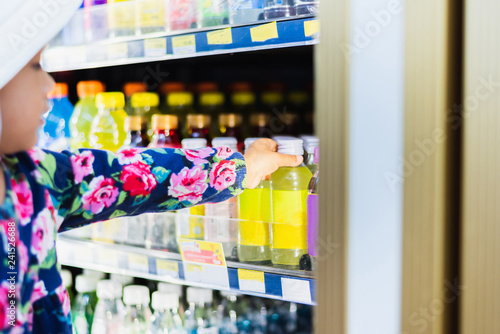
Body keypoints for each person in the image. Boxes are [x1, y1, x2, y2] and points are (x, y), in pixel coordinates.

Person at [0, 1, 303, 333]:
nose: (48, 84)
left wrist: (240, 166)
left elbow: (135, 176)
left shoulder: (33, 178)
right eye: (33, 66)